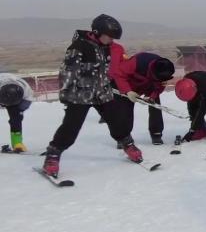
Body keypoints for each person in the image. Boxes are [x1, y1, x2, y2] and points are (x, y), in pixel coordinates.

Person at [42, 14, 144, 176]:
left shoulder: (106, 47)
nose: (111, 40)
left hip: (102, 91)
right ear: (97, 32)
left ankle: (127, 144)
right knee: (71, 126)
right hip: (80, 94)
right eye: (109, 36)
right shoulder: (79, 46)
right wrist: (66, 93)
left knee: (117, 119)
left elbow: (106, 70)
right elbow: (67, 72)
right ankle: (53, 155)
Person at [111, 53, 176, 145]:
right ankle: (124, 137)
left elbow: (159, 87)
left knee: (155, 105)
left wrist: (152, 96)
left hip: (147, 85)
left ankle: (156, 133)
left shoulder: (165, 70)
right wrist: (128, 91)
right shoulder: (137, 62)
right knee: (124, 109)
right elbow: (119, 74)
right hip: (129, 84)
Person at [173, 71, 206, 141]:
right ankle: (201, 130)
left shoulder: (205, 88)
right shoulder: (186, 82)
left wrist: (192, 131)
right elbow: (191, 105)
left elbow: (201, 111)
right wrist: (194, 125)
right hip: (200, 85)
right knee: (192, 104)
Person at [0, 74, 33, 153]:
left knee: (16, 119)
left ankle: (17, 143)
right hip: (3, 92)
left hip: (16, 99)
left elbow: (25, 104)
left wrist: (18, 113)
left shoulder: (27, 92)